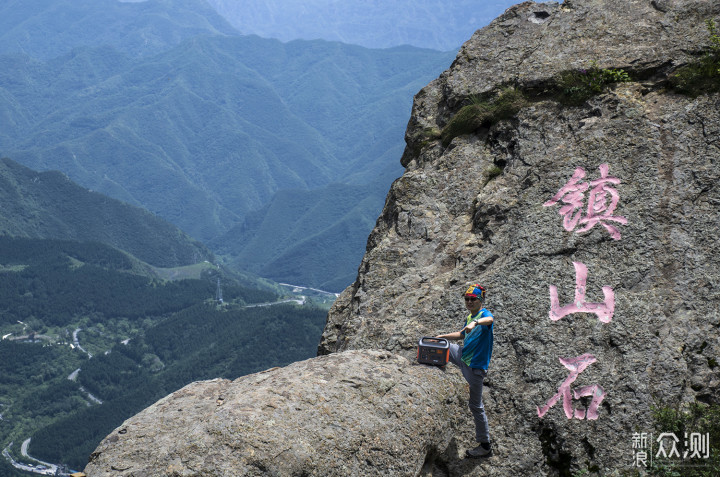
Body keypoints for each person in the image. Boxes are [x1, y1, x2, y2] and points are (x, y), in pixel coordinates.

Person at [435, 283, 494, 458]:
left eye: (473, 299)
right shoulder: (470, 316)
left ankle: (485, 446)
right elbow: (462, 335)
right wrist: (442, 337)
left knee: (476, 406)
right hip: (463, 356)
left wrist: (476, 322)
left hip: (474, 367)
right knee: (443, 347)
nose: (469, 302)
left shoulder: (483, 315)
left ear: (480, 300)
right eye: (467, 299)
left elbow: (490, 320)